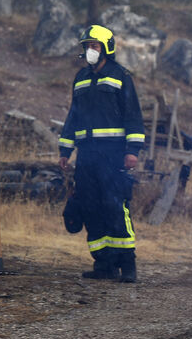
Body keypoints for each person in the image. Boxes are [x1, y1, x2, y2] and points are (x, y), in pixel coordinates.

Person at [59, 24, 145, 282]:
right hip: (86, 156)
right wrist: (65, 149)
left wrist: (132, 151)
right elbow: (72, 117)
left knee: (115, 206)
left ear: (107, 48)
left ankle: (127, 265)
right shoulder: (80, 78)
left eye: (94, 46)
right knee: (90, 207)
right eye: (87, 47)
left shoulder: (120, 76)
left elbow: (133, 115)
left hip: (112, 154)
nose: (89, 51)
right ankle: (103, 265)